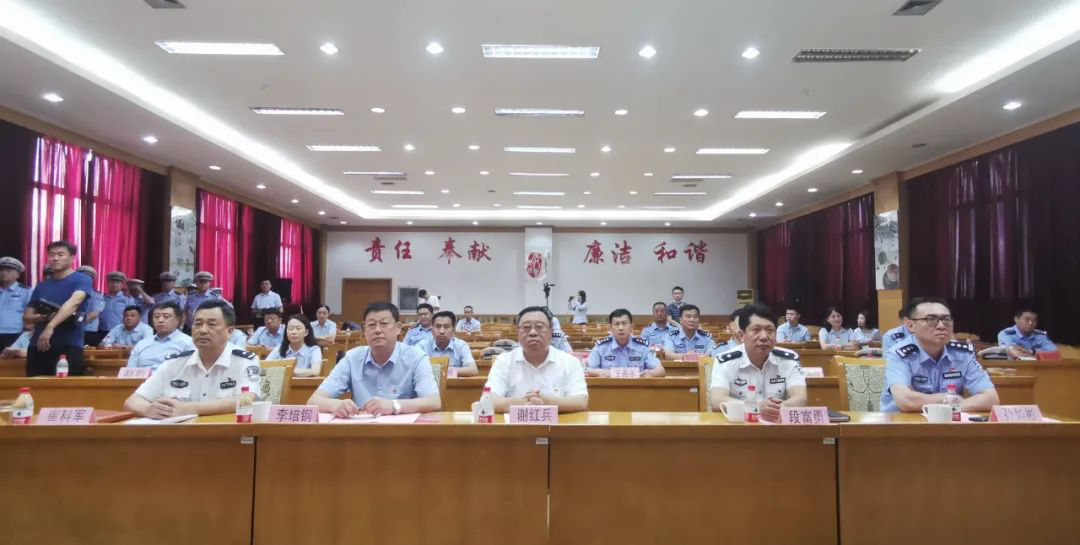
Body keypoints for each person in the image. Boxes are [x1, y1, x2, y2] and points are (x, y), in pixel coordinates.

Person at [123, 300, 262, 419]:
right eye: (198, 324)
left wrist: (189, 409)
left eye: (211, 324)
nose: (202, 330)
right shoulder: (175, 363)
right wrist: (148, 410)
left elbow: (248, 398)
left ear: (230, 331)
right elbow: (132, 401)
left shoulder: (244, 361)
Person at [308, 302, 441, 416]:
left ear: (398, 328)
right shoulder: (352, 358)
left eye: (384, 324)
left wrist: (394, 405)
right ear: (364, 330)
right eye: (371, 325)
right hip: (362, 431)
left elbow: (433, 401)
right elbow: (313, 401)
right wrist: (335, 405)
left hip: (403, 432)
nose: (377, 330)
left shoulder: (416, 357)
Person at [881, 297, 998, 412]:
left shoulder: (962, 354)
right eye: (931, 319)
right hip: (902, 421)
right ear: (911, 325)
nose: (941, 326)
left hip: (947, 421)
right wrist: (947, 399)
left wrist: (953, 406)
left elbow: (991, 398)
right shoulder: (899, 355)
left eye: (946, 319)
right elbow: (906, 401)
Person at [709, 303, 807, 421]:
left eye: (770, 330)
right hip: (739, 427)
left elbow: (801, 399)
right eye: (756, 330)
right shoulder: (725, 361)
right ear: (741, 335)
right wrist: (756, 406)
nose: (764, 337)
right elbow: (717, 400)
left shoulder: (789, 360)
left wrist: (774, 409)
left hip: (777, 427)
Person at [484, 306, 588, 413]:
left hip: (558, 424)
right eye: (526, 327)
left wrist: (546, 402)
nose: (533, 332)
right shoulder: (504, 361)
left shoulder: (570, 362)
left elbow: (581, 401)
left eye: (539, 327)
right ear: (517, 332)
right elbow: (489, 399)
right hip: (514, 423)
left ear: (551, 331)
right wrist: (526, 402)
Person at [22, 241, 92, 376]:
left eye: (60, 254)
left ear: (72, 258)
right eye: (51, 255)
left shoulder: (82, 279)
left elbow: (74, 303)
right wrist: (44, 317)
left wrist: (50, 326)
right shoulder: (42, 285)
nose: (55, 258)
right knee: (35, 385)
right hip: (38, 344)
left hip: (69, 343)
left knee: (66, 387)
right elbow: (27, 317)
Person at [587, 308, 665, 377]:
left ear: (631, 326)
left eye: (624, 323)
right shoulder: (601, 347)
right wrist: (601, 372)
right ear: (610, 328)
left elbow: (661, 370)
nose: (620, 328)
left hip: (637, 387)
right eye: (616, 324)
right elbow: (588, 370)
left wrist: (649, 374)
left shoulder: (642, 347)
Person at [126, 301, 195, 370]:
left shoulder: (188, 343)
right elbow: (129, 371)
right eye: (156, 317)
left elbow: (190, 371)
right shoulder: (141, 344)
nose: (160, 320)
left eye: (166, 317)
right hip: (143, 377)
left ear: (177, 320)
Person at [417, 310, 478, 376]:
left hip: (452, 382)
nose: (441, 331)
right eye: (438, 327)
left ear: (453, 330)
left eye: (446, 327)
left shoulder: (461, 345)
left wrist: (443, 371)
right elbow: (413, 369)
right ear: (432, 329)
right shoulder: (422, 345)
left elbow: (473, 370)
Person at [0, 256, 31, 350]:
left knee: (12, 359)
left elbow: (30, 314)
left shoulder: (26, 292)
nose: (4, 273)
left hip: (15, 334)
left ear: (17, 274)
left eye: (8, 271)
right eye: (1, 270)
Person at [76, 265, 105, 346]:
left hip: (88, 330)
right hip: (72, 328)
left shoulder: (96, 295)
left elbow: (95, 314)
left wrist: (76, 322)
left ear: (91, 280)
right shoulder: (72, 292)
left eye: (87, 278)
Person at [99, 271, 135, 336]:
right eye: (112, 282)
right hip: (101, 330)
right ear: (108, 283)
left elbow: (132, 316)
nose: (114, 284)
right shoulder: (102, 298)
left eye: (117, 282)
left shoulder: (127, 299)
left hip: (120, 332)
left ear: (122, 284)